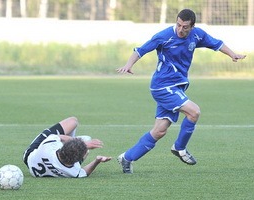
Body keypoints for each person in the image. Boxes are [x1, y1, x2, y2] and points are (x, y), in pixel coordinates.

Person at [116, 9, 246, 174]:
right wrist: (129, 64)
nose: (180, 29)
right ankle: (179, 148)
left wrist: (232, 54)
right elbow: (140, 50)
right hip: (163, 86)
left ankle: (127, 158)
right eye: (178, 25)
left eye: (185, 26)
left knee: (160, 130)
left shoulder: (197, 35)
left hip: (176, 87)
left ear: (192, 26)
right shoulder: (165, 36)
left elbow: (217, 43)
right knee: (194, 112)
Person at [23, 116, 112, 177]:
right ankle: (79, 145)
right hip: (48, 165)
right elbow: (85, 172)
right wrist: (97, 160)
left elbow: (59, 137)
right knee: (86, 144)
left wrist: (84, 144)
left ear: (62, 147)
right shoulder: (73, 172)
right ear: (76, 161)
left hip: (29, 156)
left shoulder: (48, 146)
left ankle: (78, 144)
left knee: (73, 121)